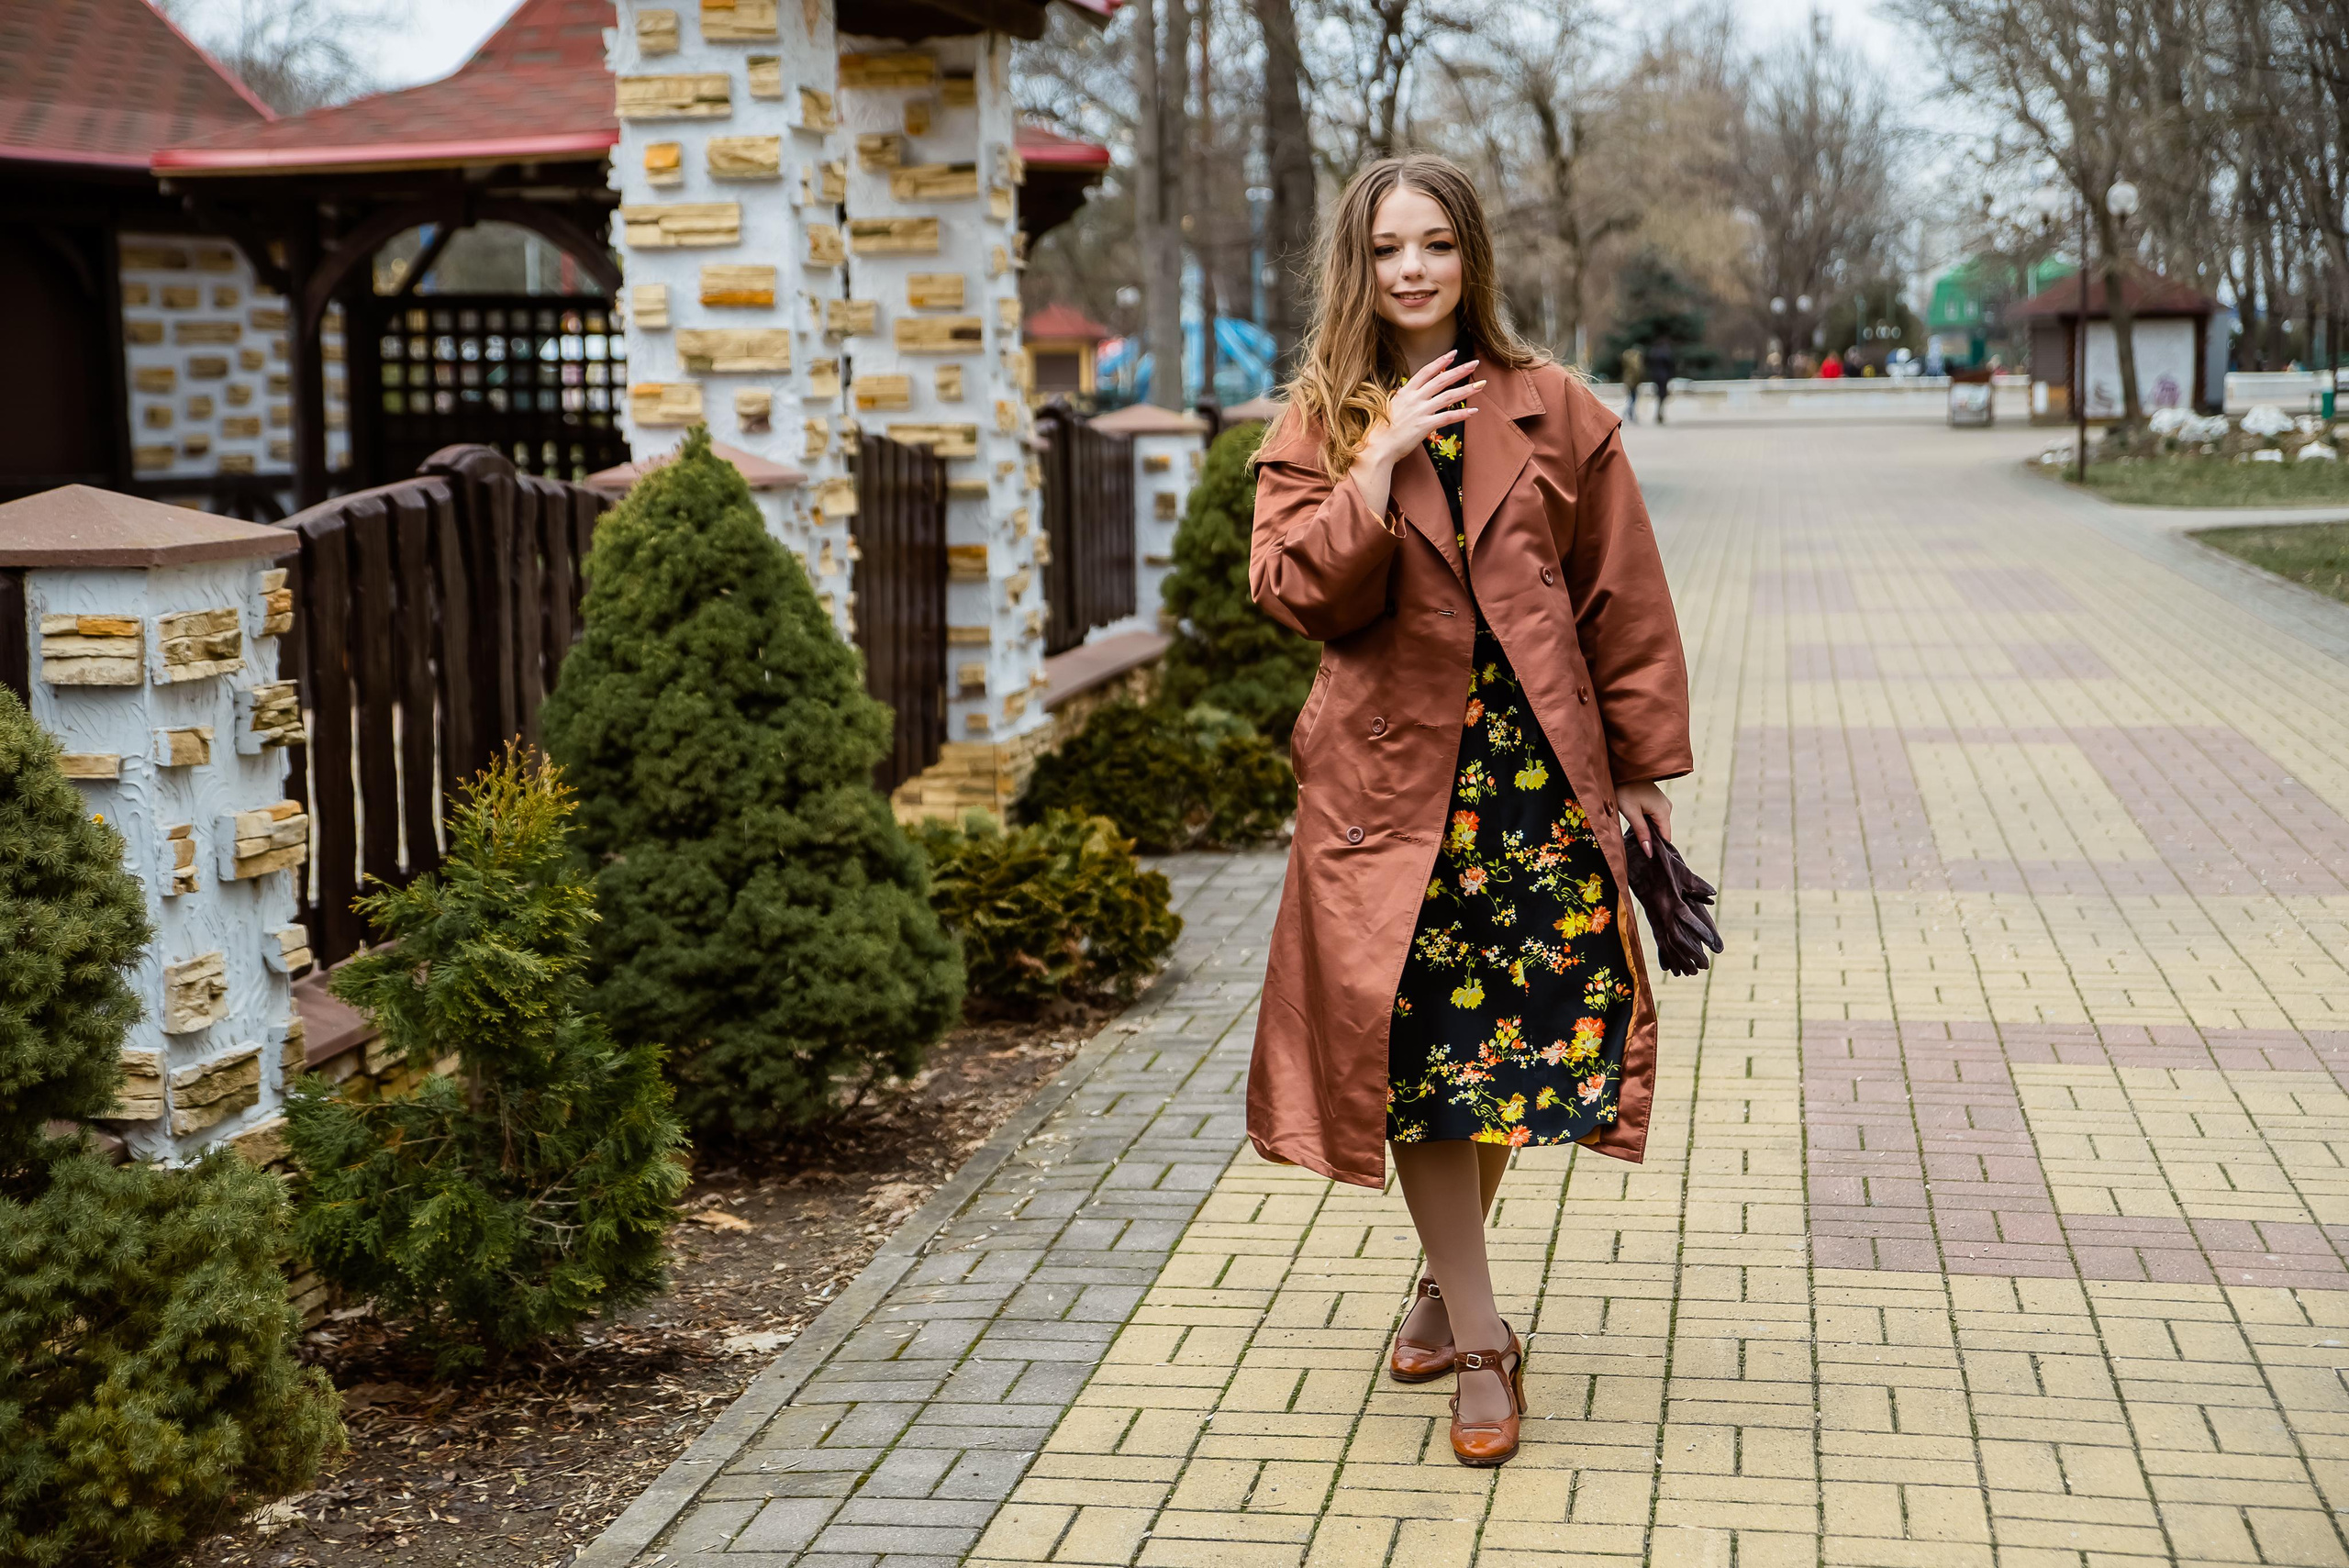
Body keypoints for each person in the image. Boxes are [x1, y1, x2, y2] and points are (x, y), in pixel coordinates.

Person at [1246, 154, 1692, 1469]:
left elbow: (1625, 599)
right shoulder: (1323, 418)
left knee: (1518, 1050)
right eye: (1387, 249)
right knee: (1431, 1059)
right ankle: (1487, 1338)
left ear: (1471, 257)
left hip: (1534, 789)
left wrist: (1646, 776)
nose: (1413, 270)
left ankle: (1447, 1284)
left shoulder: (1555, 409)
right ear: (1359, 266)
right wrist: (1376, 464)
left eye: (1435, 244)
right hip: (1392, 801)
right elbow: (1290, 590)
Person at [1644, 335, 1677, 425]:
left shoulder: (1653, 352)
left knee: (1660, 394)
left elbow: (1648, 364)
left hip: (1656, 376)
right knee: (1662, 395)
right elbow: (1671, 365)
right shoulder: (1666, 352)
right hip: (1664, 376)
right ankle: (1660, 412)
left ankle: (1659, 411)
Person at [1619, 343, 1644, 424]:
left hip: (1627, 380)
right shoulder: (1635, 362)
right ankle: (1628, 412)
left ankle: (1631, 414)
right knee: (1633, 398)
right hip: (1633, 381)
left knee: (1631, 397)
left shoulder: (1627, 358)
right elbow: (1638, 372)